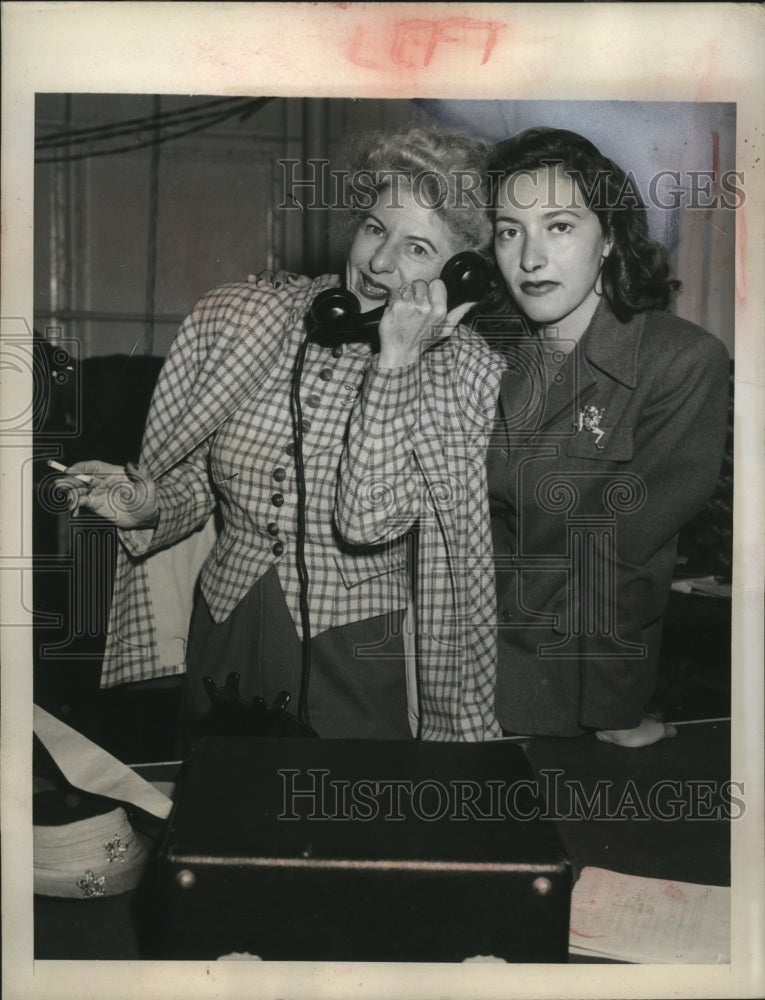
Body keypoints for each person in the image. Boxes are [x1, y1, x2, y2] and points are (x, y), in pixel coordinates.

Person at [60, 124, 504, 747]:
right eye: (375, 229)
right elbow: (201, 481)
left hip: (357, 645)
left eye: (418, 249)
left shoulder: (468, 373)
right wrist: (149, 504)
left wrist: (397, 362)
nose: (379, 262)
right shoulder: (254, 318)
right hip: (227, 619)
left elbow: (369, 520)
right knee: (221, 819)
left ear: (460, 276)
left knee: (352, 823)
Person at [335, 126, 730, 748]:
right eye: (510, 231)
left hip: (560, 701)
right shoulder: (480, 353)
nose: (530, 258)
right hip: (432, 680)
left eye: (561, 226)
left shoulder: (678, 363)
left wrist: (615, 711)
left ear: (610, 238)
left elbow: (624, 558)